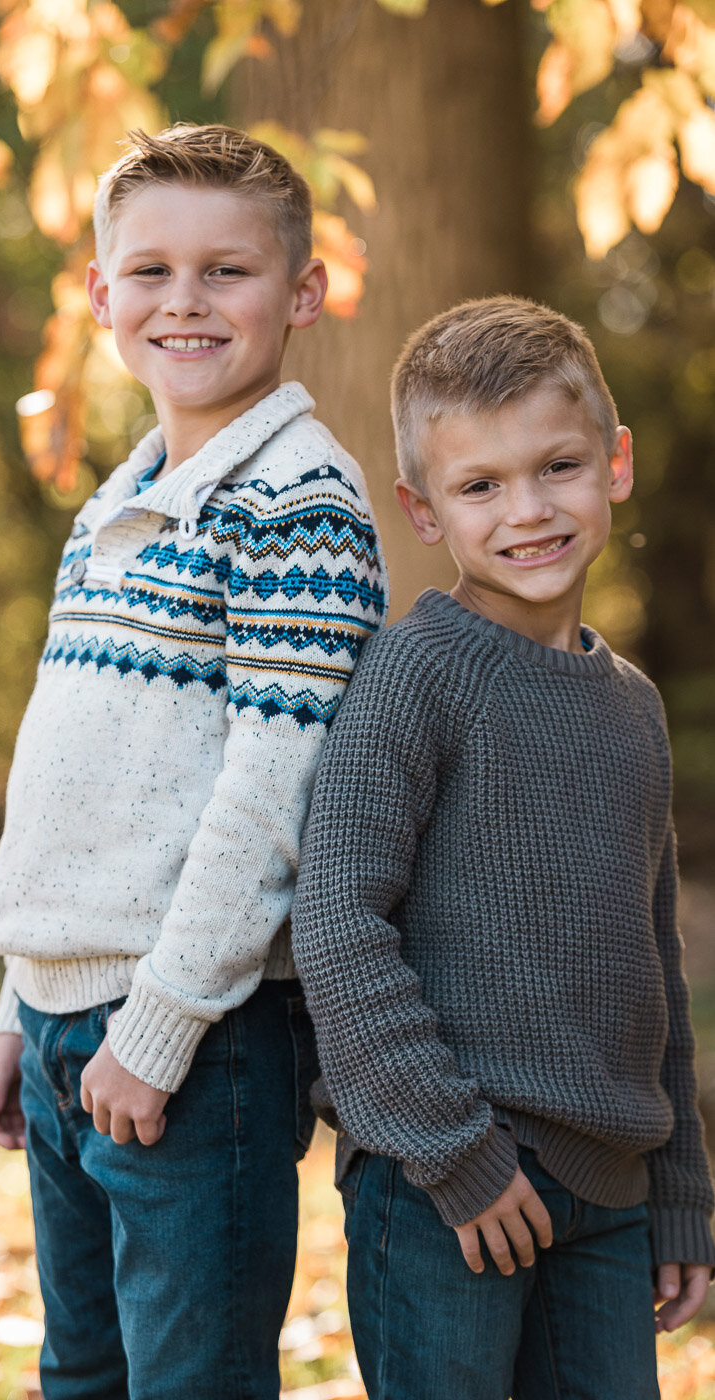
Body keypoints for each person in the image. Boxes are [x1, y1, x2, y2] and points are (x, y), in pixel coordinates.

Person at [0, 123, 387, 1400]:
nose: (184, 302)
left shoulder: (298, 502)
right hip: (60, 1020)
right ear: (100, 296)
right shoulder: (117, 500)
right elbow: (67, 779)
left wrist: (156, 1027)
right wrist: (15, 1001)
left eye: (228, 271)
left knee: (187, 1380)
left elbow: (278, 794)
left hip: (195, 1035)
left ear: (302, 294)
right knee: (83, 1368)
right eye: (148, 271)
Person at [291, 295, 715, 1400]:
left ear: (614, 464)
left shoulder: (633, 706)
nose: (527, 510)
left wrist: (679, 1189)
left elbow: (652, 965)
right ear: (423, 510)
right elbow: (337, 920)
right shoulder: (416, 675)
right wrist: (457, 1154)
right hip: (447, 1186)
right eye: (480, 485)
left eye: (557, 467)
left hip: (611, 1197)